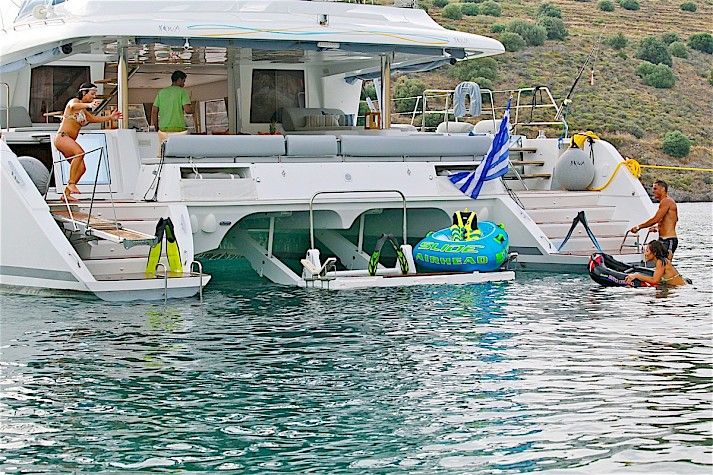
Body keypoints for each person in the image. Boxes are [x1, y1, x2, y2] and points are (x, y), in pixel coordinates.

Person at [54, 82, 123, 202]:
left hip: (68, 139)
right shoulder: (74, 101)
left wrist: (110, 117)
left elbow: (93, 119)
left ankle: (66, 194)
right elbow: (72, 106)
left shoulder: (83, 111)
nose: (94, 97)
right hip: (62, 137)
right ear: (84, 93)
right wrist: (89, 104)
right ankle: (71, 183)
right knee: (79, 152)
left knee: (81, 169)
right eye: (92, 94)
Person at [629, 179, 678, 260]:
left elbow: (655, 219)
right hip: (662, 239)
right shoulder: (665, 202)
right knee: (659, 262)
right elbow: (673, 220)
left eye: (655, 189)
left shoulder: (666, 201)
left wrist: (638, 227)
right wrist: (658, 228)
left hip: (668, 240)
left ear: (663, 189)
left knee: (665, 263)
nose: (653, 191)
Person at [151, 70, 192, 144]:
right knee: (178, 149)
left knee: (164, 149)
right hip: (178, 128)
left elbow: (154, 112)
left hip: (163, 129)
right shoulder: (182, 91)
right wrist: (193, 108)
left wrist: (157, 127)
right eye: (183, 81)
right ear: (179, 79)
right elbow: (188, 110)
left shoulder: (161, 92)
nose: (184, 84)